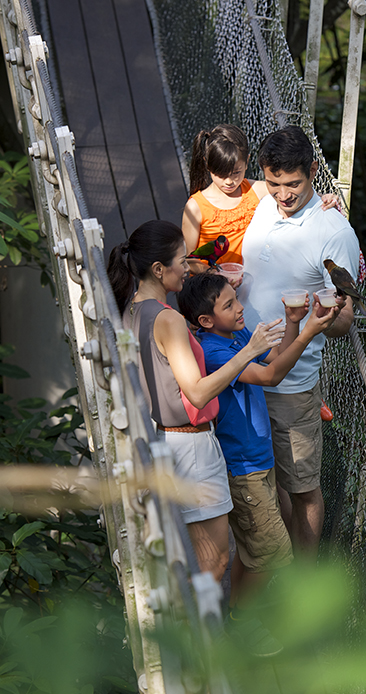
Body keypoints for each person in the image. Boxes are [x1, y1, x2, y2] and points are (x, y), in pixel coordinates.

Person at [106, 220, 285, 583]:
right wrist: (249, 351)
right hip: (190, 446)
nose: (187, 268)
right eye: (181, 261)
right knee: (213, 564)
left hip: (159, 440)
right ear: (159, 269)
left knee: (188, 562)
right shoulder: (169, 319)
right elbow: (198, 391)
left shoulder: (131, 310)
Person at [178, 272, 336, 601]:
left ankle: (239, 617)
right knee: (271, 556)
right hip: (244, 467)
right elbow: (270, 376)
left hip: (258, 461)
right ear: (206, 320)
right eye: (229, 304)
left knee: (254, 555)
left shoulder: (237, 337)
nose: (239, 308)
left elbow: (275, 358)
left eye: (236, 300)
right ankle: (246, 623)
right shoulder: (215, 352)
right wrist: (308, 332)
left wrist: (293, 323)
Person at [238, 125, 359, 555]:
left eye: (294, 184)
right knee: (267, 482)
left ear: (312, 172)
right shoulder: (262, 200)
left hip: (291, 383)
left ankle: (302, 589)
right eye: (274, 183)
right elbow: (226, 184)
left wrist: (323, 315)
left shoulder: (333, 233)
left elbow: (345, 322)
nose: (283, 195)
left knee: (302, 485)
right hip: (243, 369)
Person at [181, 124, 340, 269]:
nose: (229, 181)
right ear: (207, 165)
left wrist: (324, 197)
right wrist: (214, 274)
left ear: (247, 162)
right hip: (212, 288)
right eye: (221, 175)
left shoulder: (254, 190)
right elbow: (188, 259)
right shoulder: (196, 207)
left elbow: (294, 192)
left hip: (249, 282)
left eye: (236, 172)